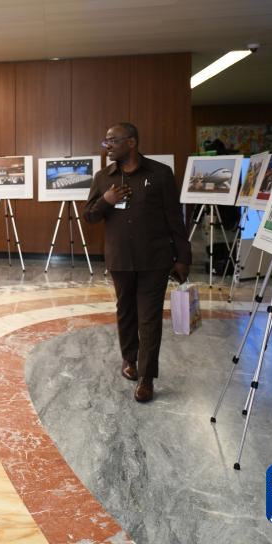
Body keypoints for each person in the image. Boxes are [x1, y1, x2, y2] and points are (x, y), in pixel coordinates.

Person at [83, 123, 191, 403]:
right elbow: (90, 216)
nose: (107, 146)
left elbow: (175, 217)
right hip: (120, 258)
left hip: (154, 258)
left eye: (112, 141)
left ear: (131, 142)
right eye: (105, 141)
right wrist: (106, 200)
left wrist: (183, 257)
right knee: (126, 311)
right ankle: (129, 359)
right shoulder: (102, 178)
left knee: (150, 318)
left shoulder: (160, 174)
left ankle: (146, 377)